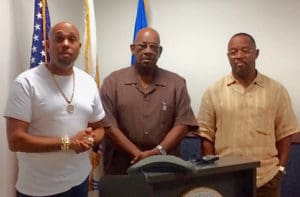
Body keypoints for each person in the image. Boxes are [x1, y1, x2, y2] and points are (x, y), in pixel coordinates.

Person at [4, 22, 105, 197]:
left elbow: (100, 128)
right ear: (48, 45)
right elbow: (15, 140)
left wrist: (89, 139)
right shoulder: (26, 83)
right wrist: (69, 143)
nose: (65, 43)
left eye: (71, 39)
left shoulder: (88, 82)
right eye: (59, 38)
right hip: (39, 188)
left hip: (79, 182)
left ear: (79, 47)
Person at [197, 32, 299, 197]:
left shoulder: (276, 90)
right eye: (233, 52)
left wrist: (280, 170)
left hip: (266, 179)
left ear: (256, 53)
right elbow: (206, 136)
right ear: (228, 56)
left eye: (245, 50)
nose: (239, 56)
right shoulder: (213, 91)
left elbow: (285, 134)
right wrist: (213, 173)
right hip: (225, 179)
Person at [100, 27, 198, 174]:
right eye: (142, 46)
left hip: (165, 165)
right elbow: (108, 126)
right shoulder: (112, 82)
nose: (148, 51)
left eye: (153, 47)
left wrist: (158, 152)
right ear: (133, 49)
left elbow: (183, 124)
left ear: (160, 52)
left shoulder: (176, 83)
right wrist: (137, 154)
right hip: (121, 166)